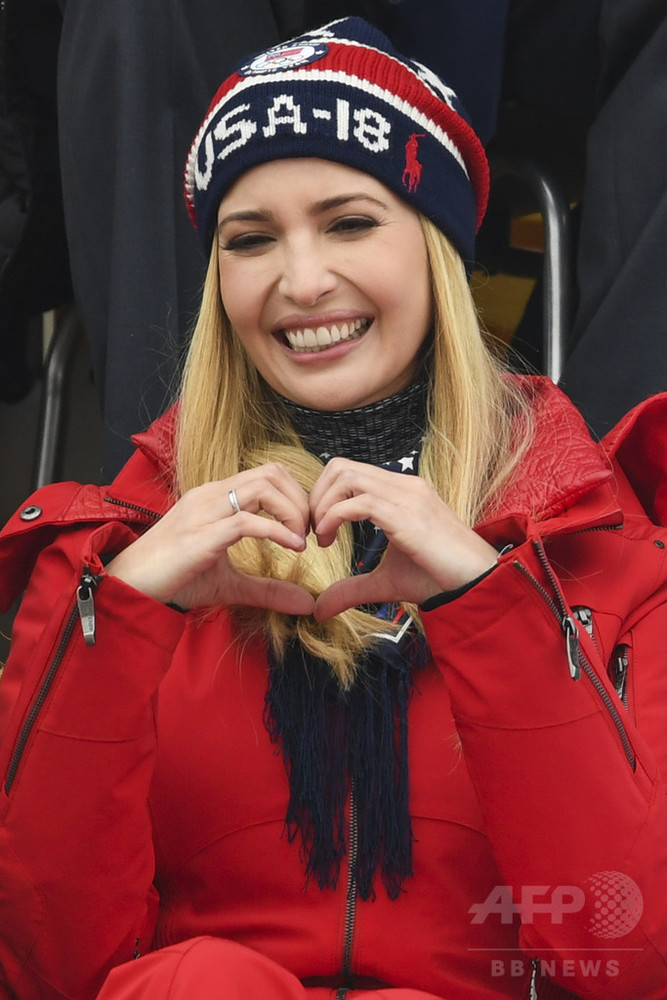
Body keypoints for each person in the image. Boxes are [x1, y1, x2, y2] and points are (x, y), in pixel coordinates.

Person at [0, 17, 666, 1000]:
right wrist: (119, 613)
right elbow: (48, 968)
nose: (301, 281)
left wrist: (489, 602)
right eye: (251, 239)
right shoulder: (123, 547)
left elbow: (631, 955)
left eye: (351, 222)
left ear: (437, 252)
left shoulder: (585, 536)